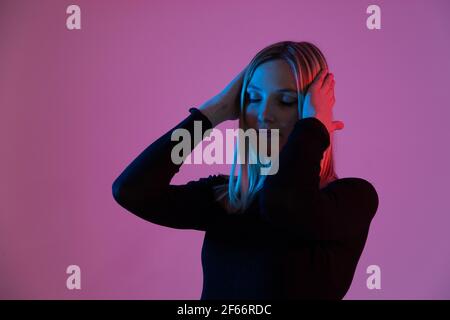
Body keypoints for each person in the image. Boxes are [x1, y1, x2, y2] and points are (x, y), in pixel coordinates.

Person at [112, 41, 379, 299]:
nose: (264, 114)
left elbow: (283, 205)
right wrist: (210, 113)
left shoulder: (352, 199)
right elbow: (131, 191)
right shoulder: (230, 198)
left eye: (285, 101)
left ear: (313, 113)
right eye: (252, 98)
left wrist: (312, 129)